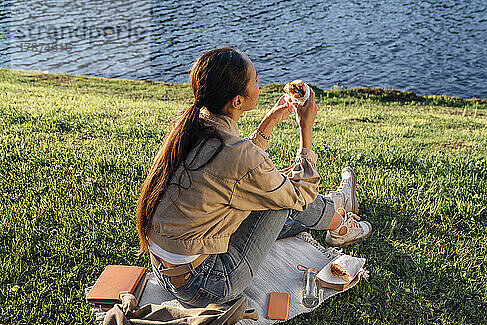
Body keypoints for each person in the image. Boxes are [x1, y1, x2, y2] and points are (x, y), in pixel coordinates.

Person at [136, 47, 372, 306]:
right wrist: (306, 130)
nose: (260, 84)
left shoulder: (190, 128)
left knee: (271, 187)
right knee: (284, 198)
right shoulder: (237, 154)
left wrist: (269, 122)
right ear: (237, 101)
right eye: (256, 80)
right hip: (206, 284)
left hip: (168, 270)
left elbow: (230, 170)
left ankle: (336, 206)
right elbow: (299, 196)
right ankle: (341, 226)